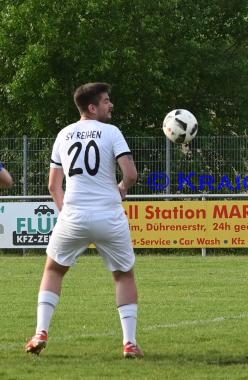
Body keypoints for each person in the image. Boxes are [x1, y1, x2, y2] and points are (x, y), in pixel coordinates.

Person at [25, 83, 142, 358]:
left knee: (53, 271)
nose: (110, 105)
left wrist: (66, 212)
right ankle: (129, 343)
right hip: (109, 216)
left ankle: (41, 331)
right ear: (92, 107)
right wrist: (123, 187)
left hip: (73, 216)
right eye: (106, 101)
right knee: (123, 275)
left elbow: (54, 185)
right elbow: (131, 174)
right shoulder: (111, 132)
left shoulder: (63, 134)